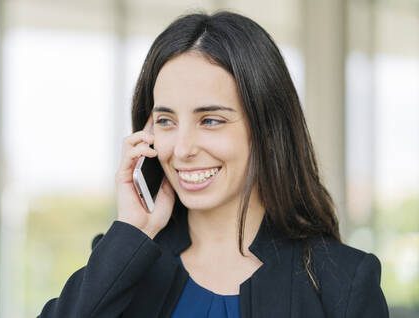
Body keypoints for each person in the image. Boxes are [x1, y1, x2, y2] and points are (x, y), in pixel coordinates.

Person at [37, 10, 389, 318]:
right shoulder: (124, 261)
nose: (183, 148)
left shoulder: (342, 280)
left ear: (266, 129)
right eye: (166, 121)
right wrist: (135, 231)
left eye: (210, 120)